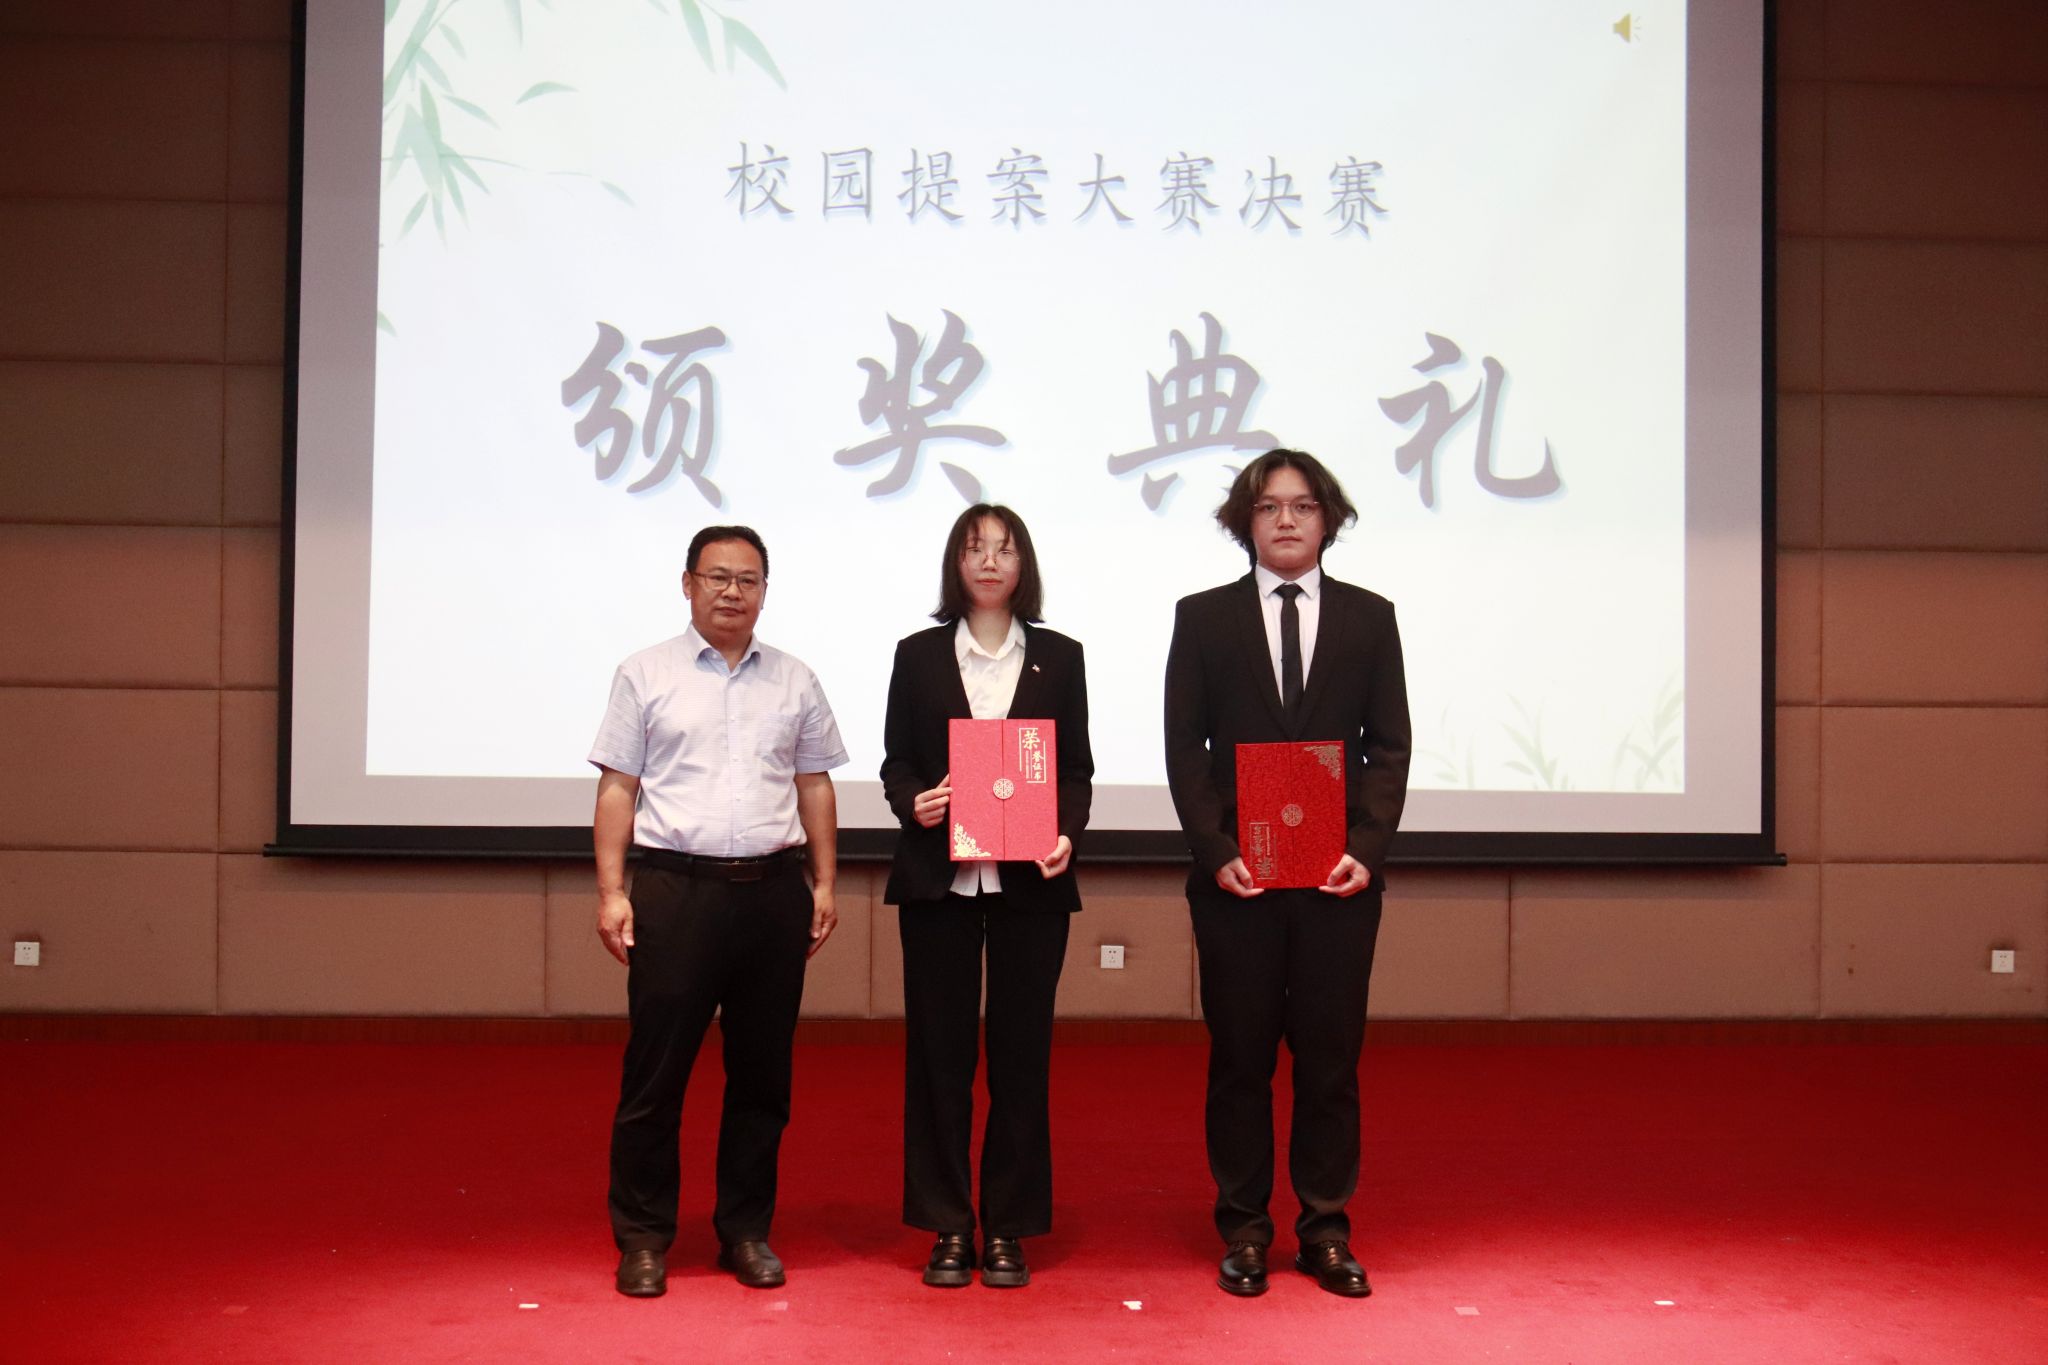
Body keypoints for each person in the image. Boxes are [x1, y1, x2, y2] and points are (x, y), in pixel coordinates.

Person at [1163, 450, 1410, 1299]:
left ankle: (1325, 1229)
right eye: (1269, 507)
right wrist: (1215, 849)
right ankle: (1243, 1228)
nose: (1287, 520)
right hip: (1239, 882)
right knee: (1240, 1059)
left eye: (1303, 506)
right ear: (1247, 522)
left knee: (1330, 1062)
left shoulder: (1370, 618)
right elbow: (1184, 747)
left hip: (1339, 881)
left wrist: (1366, 848)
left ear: (1327, 519)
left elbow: (1389, 745)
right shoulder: (1204, 617)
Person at [588, 525, 847, 1299]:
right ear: (688, 583)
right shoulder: (645, 673)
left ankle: (745, 1229)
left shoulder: (795, 679)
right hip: (676, 889)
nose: (733, 591)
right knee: (655, 1074)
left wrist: (824, 882)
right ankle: (643, 1237)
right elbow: (618, 786)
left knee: (763, 1077)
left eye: (749, 579)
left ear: (765, 589)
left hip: (773, 891)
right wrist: (611, 890)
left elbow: (814, 784)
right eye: (718, 576)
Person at [880, 504, 1094, 1289]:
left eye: (1005, 549)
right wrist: (913, 802)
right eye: (976, 548)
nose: (991, 561)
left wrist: (1066, 830)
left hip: (1029, 885)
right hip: (940, 882)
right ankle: (947, 1224)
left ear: (1022, 563)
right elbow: (896, 762)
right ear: (957, 563)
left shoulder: (1060, 658)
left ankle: (1007, 1224)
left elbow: (1076, 770)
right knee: (939, 1058)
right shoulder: (919, 654)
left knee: (1020, 1057)